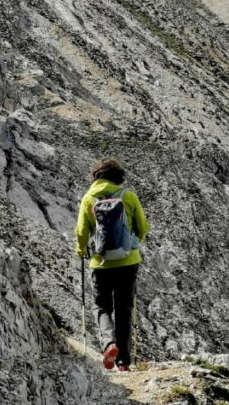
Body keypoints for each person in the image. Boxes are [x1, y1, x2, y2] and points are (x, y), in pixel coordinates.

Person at [75, 157, 150, 371]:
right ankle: (124, 362)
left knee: (102, 305)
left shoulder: (89, 199)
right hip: (128, 261)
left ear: (96, 177)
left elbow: (81, 232)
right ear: (119, 178)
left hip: (101, 263)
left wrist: (81, 250)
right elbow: (143, 228)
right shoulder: (128, 197)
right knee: (124, 308)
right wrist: (132, 243)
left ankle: (110, 343)